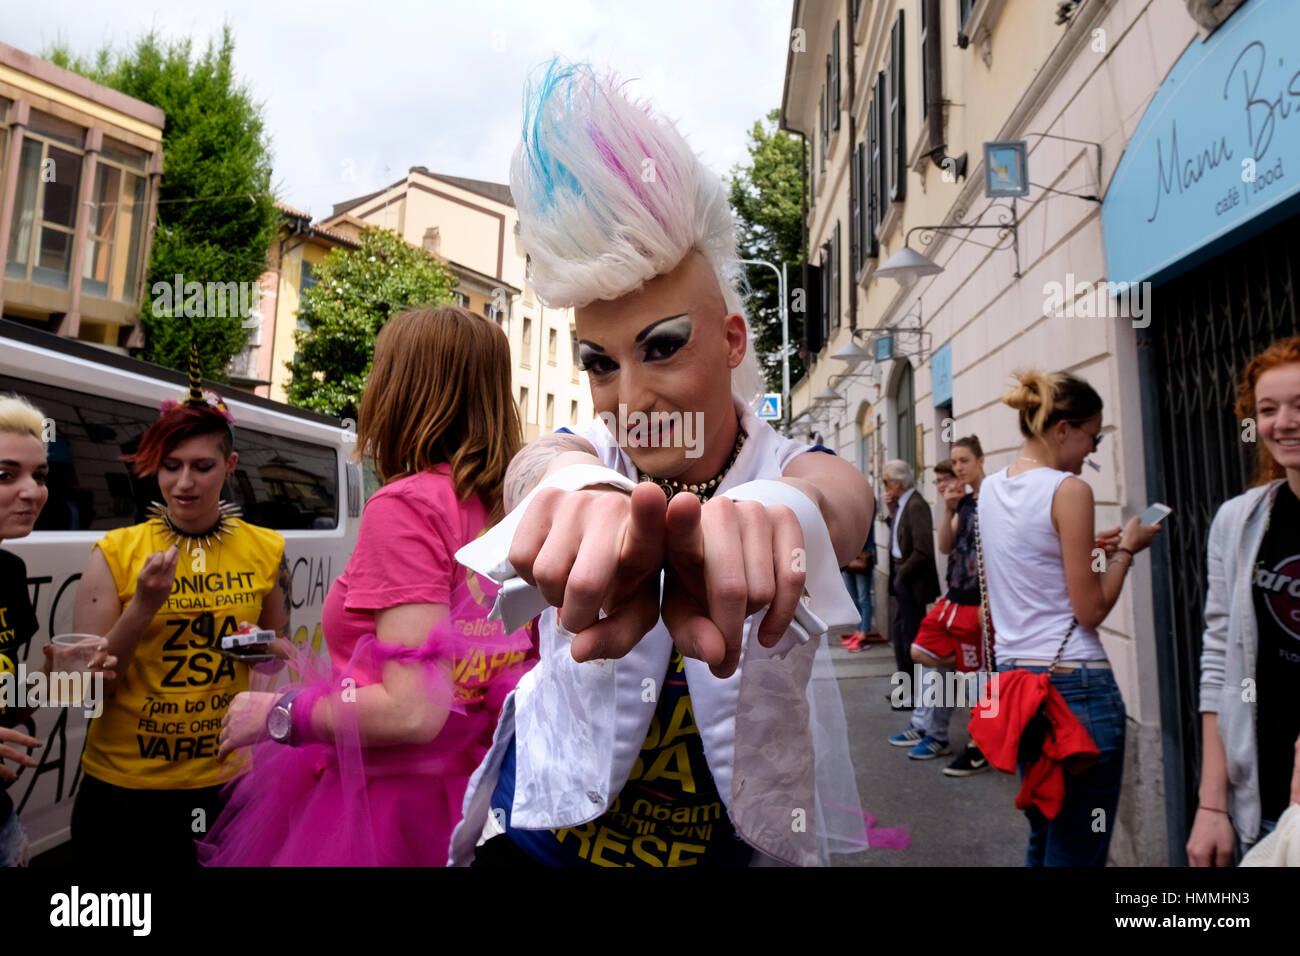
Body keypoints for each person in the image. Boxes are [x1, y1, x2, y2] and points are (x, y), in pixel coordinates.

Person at [449, 60, 872, 868]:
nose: (631, 397)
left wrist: (779, 514)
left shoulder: (789, 462)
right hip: (543, 841)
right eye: (600, 363)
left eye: (662, 348)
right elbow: (542, 465)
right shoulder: (590, 454)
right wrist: (577, 495)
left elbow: (840, 500)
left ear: (732, 340)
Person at [203, 306, 535, 867]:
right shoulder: (515, 508)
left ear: (404, 388)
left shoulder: (408, 505)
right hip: (476, 802)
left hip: (384, 811)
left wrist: (278, 713)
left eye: (381, 369)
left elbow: (413, 710)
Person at [70, 362, 290, 868]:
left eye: (202, 466)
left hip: (220, 785)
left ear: (231, 464)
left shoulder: (265, 549)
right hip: (125, 786)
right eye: (171, 466)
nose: (184, 483)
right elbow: (84, 687)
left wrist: (258, 645)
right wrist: (145, 606)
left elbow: (279, 652)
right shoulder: (116, 551)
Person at [977, 369, 1158, 866]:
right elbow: (1089, 609)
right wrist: (1127, 551)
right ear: (1063, 429)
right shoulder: (1068, 490)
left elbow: (1039, 571)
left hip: (1021, 690)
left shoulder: (990, 490)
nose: (1090, 452)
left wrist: (1096, 551)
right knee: (1077, 849)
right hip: (1076, 690)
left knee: (1046, 836)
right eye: (1091, 437)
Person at [1187, 335, 1300, 866]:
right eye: (1268, 409)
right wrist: (1212, 806)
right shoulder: (1239, 520)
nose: (1284, 422)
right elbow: (1219, 660)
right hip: (1265, 805)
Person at [889, 443, 990, 769]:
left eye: (964, 462)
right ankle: (932, 729)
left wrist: (989, 603)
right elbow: (944, 546)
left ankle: (979, 742)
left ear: (979, 461)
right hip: (956, 596)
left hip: (978, 600)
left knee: (978, 678)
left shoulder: (992, 498)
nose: (958, 469)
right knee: (924, 652)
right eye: (954, 463)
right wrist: (949, 509)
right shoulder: (964, 504)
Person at [884, 460, 941, 695]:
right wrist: (891, 513)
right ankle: (905, 690)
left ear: (898, 483)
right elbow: (900, 535)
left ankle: (912, 692)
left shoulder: (916, 504)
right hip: (902, 574)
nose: (885, 486)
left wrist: (902, 575)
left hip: (910, 579)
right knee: (900, 634)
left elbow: (923, 548)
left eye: (886, 481)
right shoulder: (903, 503)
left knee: (909, 636)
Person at [840, 492, 879, 651]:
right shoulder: (848, 512)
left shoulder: (867, 510)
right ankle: (858, 631)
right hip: (848, 557)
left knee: (864, 598)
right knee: (853, 598)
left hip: (862, 557)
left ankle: (863, 633)